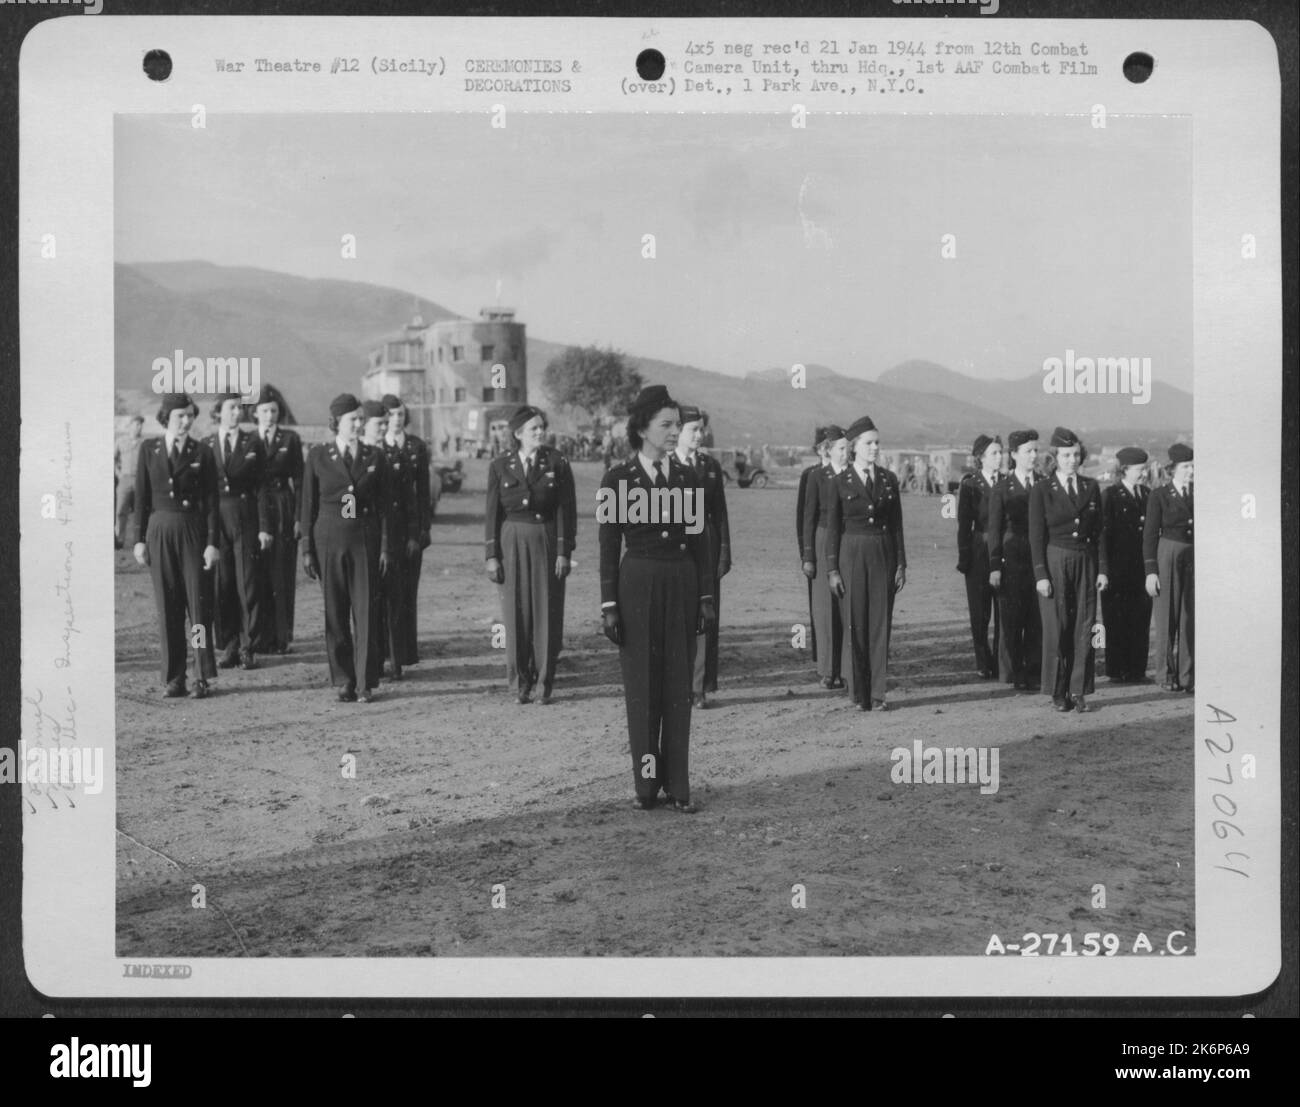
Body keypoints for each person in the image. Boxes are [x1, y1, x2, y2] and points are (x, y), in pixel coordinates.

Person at [599, 385, 716, 812]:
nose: (674, 432)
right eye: (665, 425)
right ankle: (647, 786)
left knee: (678, 685)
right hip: (637, 588)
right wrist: (609, 605)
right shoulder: (618, 479)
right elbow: (609, 547)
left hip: (682, 585)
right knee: (643, 688)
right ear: (642, 428)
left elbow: (701, 541)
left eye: (677, 425)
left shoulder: (688, 477)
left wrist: (705, 596)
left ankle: (680, 786)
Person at [300, 393, 392, 703]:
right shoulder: (318, 456)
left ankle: (366, 682)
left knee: (366, 612)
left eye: (360, 419)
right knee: (335, 612)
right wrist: (307, 550)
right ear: (336, 423)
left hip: (364, 539)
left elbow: (382, 507)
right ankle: (344, 678)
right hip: (329, 539)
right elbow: (307, 506)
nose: (358, 424)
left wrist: (384, 547)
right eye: (352, 419)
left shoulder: (374, 457)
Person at [485, 405, 577, 704]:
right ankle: (519, 682)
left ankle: (543, 682)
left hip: (546, 539)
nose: (540, 433)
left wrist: (564, 550)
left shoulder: (556, 461)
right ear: (518, 433)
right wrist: (492, 555)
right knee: (515, 612)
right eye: (533, 429)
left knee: (546, 611)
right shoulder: (500, 465)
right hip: (511, 540)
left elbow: (566, 508)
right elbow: (492, 514)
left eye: (541, 427)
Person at [133, 394, 220, 699]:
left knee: (198, 606)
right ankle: (175, 676)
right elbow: (141, 499)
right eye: (180, 417)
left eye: (190, 416)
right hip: (159, 532)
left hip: (192, 532)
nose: (186, 422)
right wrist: (138, 540)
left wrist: (211, 544)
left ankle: (201, 675)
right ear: (166, 417)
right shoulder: (149, 449)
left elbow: (212, 503)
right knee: (168, 607)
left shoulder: (203, 452)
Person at [825, 415, 906, 711]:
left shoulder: (888, 480)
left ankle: (878, 693)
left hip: (882, 553)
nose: (875, 448)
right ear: (855, 446)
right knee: (855, 623)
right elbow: (833, 528)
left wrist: (900, 565)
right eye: (869, 443)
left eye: (877, 443)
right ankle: (859, 693)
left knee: (880, 624)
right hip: (852, 554)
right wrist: (832, 569)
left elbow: (897, 525)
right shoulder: (839, 482)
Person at [1029, 426, 1108, 713]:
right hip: (1056, 560)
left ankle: (1079, 690)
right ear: (1055, 457)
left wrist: (1102, 569)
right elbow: (1036, 536)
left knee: (1084, 626)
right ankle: (1057, 690)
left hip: (1086, 561)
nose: (1071, 460)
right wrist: (1040, 574)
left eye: (1075, 454)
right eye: (1065, 455)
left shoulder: (1090, 487)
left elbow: (1099, 532)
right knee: (1057, 627)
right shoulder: (1042, 490)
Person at [204, 394, 272, 670]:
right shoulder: (207, 445)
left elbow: (262, 487)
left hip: (245, 518)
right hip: (216, 519)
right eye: (231, 408)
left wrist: (265, 527)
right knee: (222, 584)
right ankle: (229, 644)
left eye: (239, 408)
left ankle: (249, 646)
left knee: (248, 584)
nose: (237, 413)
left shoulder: (252, 442)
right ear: (218, 412)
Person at [676, 405, 731, 708]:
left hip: (706, 545)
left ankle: (698, 686)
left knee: (705, 612)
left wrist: (723, 553)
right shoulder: (664, 464)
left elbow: (720, 513)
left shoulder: (710, 466)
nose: (699, 435)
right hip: (674, 546)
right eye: (692, 430)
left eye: (701, 429)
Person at [987, 430, 1042, 691]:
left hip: (1038, 560)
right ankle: (1012, 672)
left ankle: (1034, 670)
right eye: (1028, 451)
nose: (1033, 456)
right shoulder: (1002, 489)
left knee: (1036, 617)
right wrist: (995, 566)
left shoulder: (1044, 484)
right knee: (1011, 618)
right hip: (1011, 561)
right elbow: (995, 530)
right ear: (1015, 455)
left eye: (1036, 451)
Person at [251, 384, 303, 655]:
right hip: (257, 512)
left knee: (282, 574)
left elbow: (300, 480)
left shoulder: (290, 440)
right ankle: (260, 636)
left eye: (273, 410)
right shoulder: (248, 440)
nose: (269, 415)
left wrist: (299, 518)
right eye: (264, 411)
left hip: (283, 506)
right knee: (258, 575)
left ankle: (283, 637)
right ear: (256, 413)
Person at [382, 394, 432, 668]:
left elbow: (423, 491)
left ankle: (407, 650)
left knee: (408, 590)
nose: (397, 420)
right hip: (386, 528)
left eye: (401, 414)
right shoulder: (377, 446)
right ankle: (387, 650)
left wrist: (423, 528)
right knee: (386, 589)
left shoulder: (416, 447)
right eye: (391, 415)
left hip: (410, 526)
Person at [801, 425, 848, 690]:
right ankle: (828, 669)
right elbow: (807, 517)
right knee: (824, 609)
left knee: (845, 607)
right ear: (827, 450)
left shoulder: (854, 475)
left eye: (847, 448)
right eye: (840, 448)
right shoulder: (817, 476)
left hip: (848, 541)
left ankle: (846, 668)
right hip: (821, 541)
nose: (845, 453)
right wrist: (808, 556)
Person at [1144, 444, 1194, 693]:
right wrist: (1151, 571)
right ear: (1173, 468)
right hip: (1167, 555)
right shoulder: (1159, 495)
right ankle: (1165, 674)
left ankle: (1187, 676)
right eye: (1186, 466)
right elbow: (1150, 535)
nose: (1190, 471)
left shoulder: (1197, 493)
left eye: (1192, 466)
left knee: (1190, 617)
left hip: (1192, 555)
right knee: (1166, 616)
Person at [1101, 446, 1153, 683]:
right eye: (1139, 469)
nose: (1143, 473)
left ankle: (1137, 669)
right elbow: (1103, 535)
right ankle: (1116, 669)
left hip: (1140, 569)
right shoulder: (1110, 495)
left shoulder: (1147, 494)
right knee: (1116, 619)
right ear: (1124, 470)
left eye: (1144, 469)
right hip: (1118, 568)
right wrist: (1104, 569)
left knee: (1140, 618)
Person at [957, 434, 1003, 678]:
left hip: (1004, 552)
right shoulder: (970, 485)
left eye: (1001, 453)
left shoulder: (1007, 482)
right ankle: (983, 662)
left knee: (1003, 611)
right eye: (994, 453)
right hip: (978, 552)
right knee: (980, 612)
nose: (999, 457)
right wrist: (965, 559)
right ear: (981, 458)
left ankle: (1002, 661)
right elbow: (963, 525)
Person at [795, 427, 828, 670]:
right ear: (818, 449)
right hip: (816, 547)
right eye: (825, 445)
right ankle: (821, 657)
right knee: (818, 607)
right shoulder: (810, 475)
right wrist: (806, 553)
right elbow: (803, 517)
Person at [114, 415, 145, 549]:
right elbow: (113, 460)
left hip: (139, 480)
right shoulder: (121, 441)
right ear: (130, 426)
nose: (139, 427)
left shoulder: (144, 443)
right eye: (137, 424)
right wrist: (119, 474)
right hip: (125, 479)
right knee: (121, 510)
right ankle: (119, 541)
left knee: (141, 510)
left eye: (140, 425)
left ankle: (139, 541)